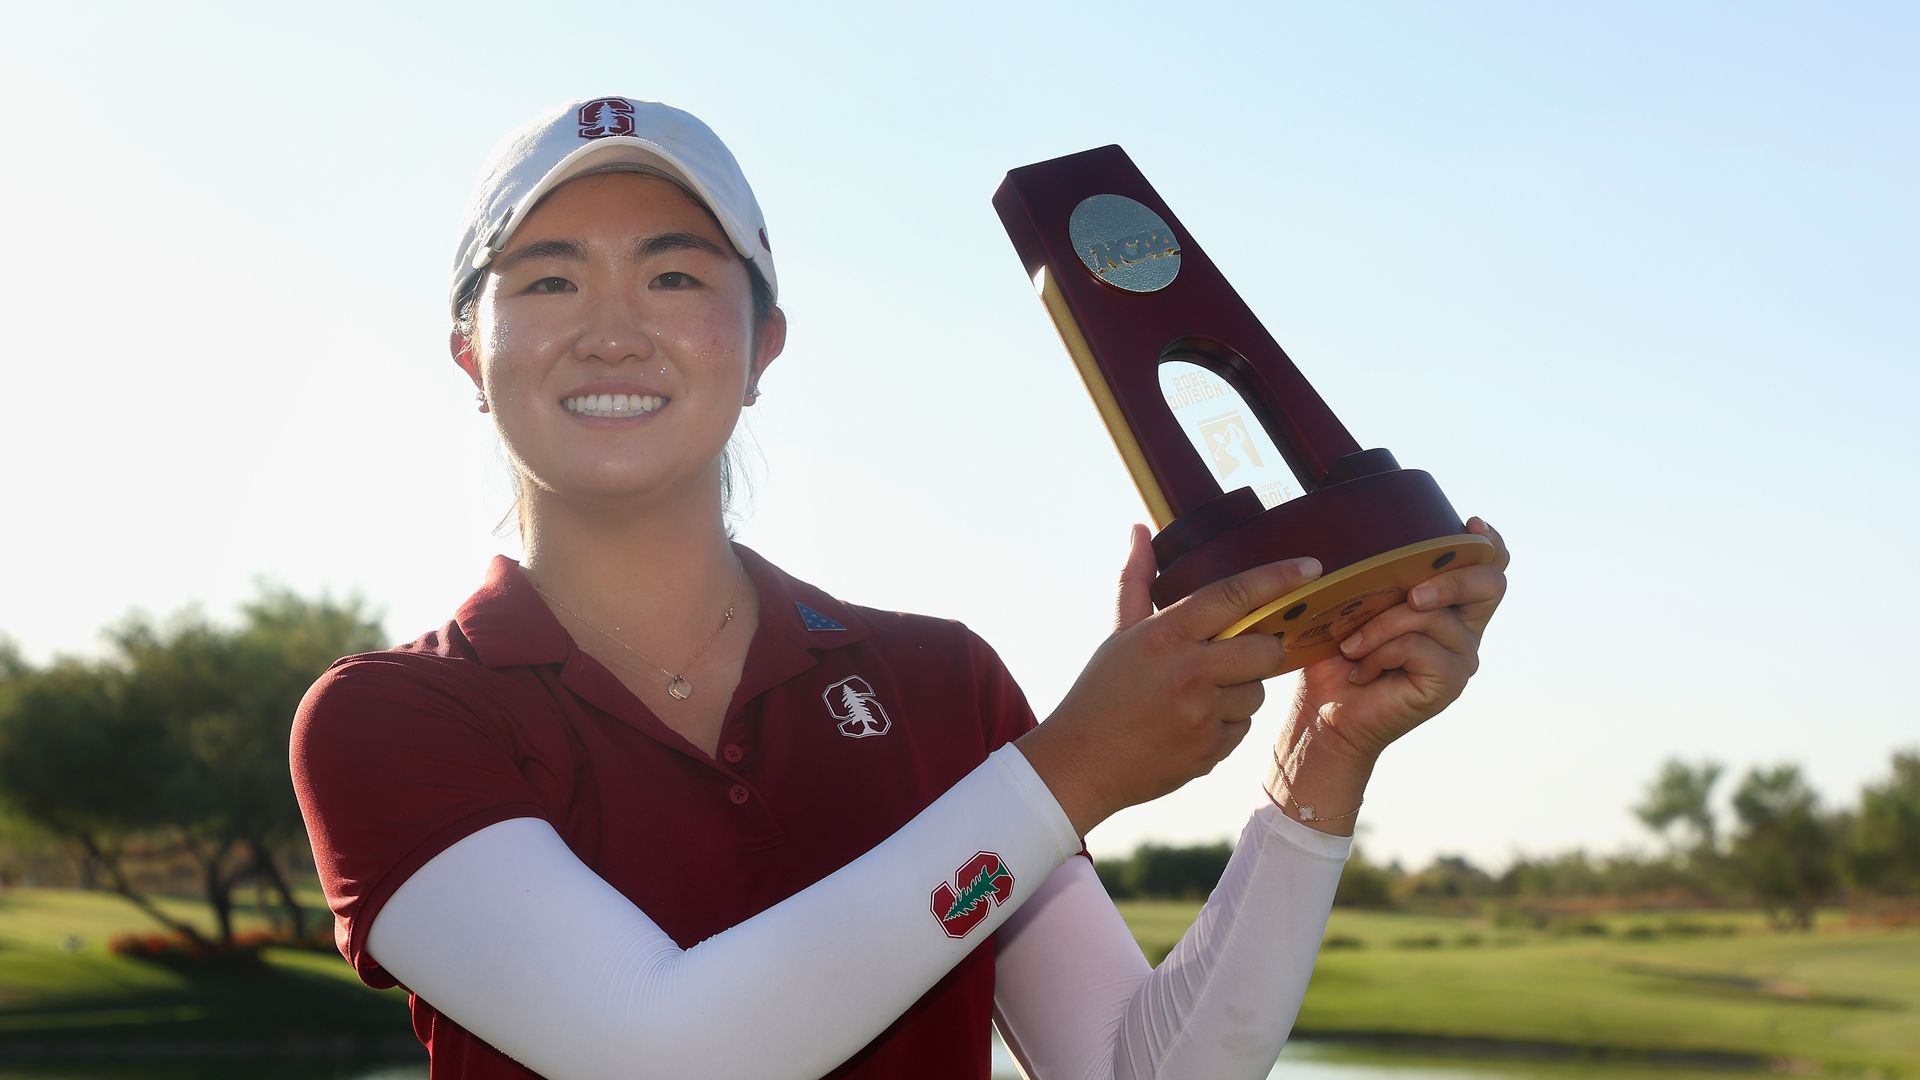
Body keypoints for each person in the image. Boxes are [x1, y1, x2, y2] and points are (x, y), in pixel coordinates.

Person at [290, 96, 1509, 1080]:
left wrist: (1322, 760)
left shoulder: (940, 686)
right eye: (548, 281)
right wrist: (1071, 771)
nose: (613, 329)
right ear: (471, 352)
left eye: (674, 277)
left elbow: (1136, 1071)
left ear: (765, 344)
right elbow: (666, 1056)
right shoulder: (390, 721)